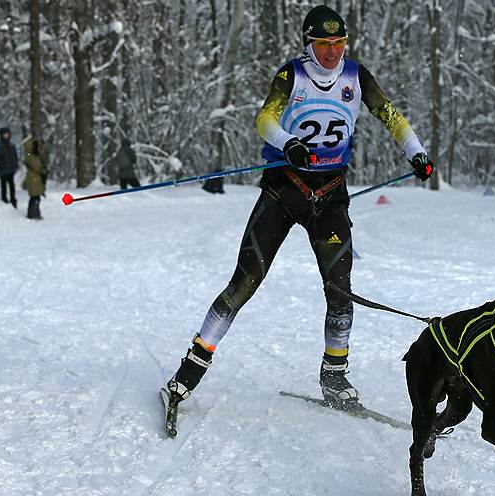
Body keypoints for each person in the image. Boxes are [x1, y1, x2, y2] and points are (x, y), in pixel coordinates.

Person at [163, 4, 434, 417]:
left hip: (330, 195)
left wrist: (416, 153)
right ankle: (187, 374)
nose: (333, 52)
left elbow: (391, 116)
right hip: (283, 191)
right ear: (309, 43)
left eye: (339, 42)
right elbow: (264, 119)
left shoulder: (356, 76)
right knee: (244, 282)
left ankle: (334, 378)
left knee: (341, 292)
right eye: (324, 44)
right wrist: (288, 140)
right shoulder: (292, 75)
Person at [0, 127, 19, 208]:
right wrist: (1, 164)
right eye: (4, 135)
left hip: (11, 169)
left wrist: (15, 164)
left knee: (12, 186)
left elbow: (15, 156)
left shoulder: (12, 145)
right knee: (4, 186)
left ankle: (13, 200)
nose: (6, 136)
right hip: (3, 170)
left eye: (7, 134)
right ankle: (4, 199)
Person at [22, 138, 47, 220]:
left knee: (35, 197)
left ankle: (34, 213)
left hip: (34, 178)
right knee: (35, 197)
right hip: (34, 178)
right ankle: (32, 214)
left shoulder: (30, 155)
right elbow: (37, 167)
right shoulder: (32, 156)